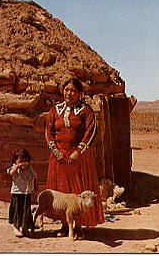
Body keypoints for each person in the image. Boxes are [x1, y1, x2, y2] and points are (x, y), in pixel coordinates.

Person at [45, 77, 104, 239]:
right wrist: (55, 151)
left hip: (78, 158)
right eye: (66, 90)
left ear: (79, 93)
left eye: (72, 90)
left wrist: (78, 151)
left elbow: (90, 132)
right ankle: (65, 225)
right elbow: (48, 131)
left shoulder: (86, 111)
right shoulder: (55, 110)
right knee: (62, 194)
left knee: (78, 193)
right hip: (59, 158)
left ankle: (79, 227)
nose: (68, 93)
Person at [7, 148, 37, 237]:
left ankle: (25, 228)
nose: (23, 164)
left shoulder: (30, 169)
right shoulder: (15, 169)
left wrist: (35, 186)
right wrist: (17, 165)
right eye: (21, 161)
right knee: (18, 211)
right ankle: (16, 227)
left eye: (25, 161)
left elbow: (34, 177)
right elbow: (11, 173)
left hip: (27, 193)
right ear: (15, 161)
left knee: (26, 211)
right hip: (17, 194)